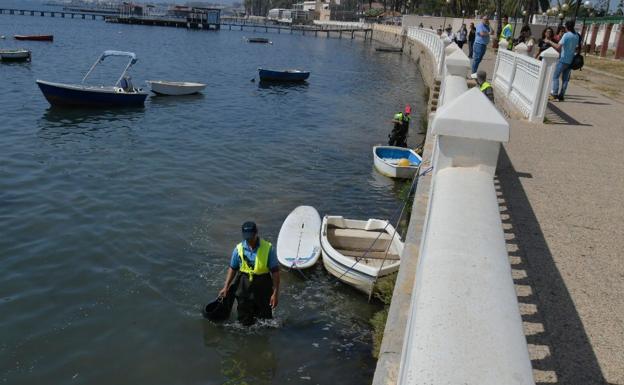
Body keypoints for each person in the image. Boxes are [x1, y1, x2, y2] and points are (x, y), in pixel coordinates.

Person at [218, 221, 280, 326]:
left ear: (256, 233)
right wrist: (226, 287)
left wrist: (275, 293)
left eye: (251, 237)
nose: (249, 240)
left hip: (263, 285)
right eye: (247, 238)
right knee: (243, 320)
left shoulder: (268, 248)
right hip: (244, 285)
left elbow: (275, 272)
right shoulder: (238, 249)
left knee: (265, 320)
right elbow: (232, 268)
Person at [546, 20, 579, 102]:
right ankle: (561, 95)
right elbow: (576, 47)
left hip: (563, 59)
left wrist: (549, 41)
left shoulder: (566, 35)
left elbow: (558, 47)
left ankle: (554, 94)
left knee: (555, 76)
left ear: (566, 27)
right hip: (571, 60)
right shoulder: (576, 36)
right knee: (565, 79)